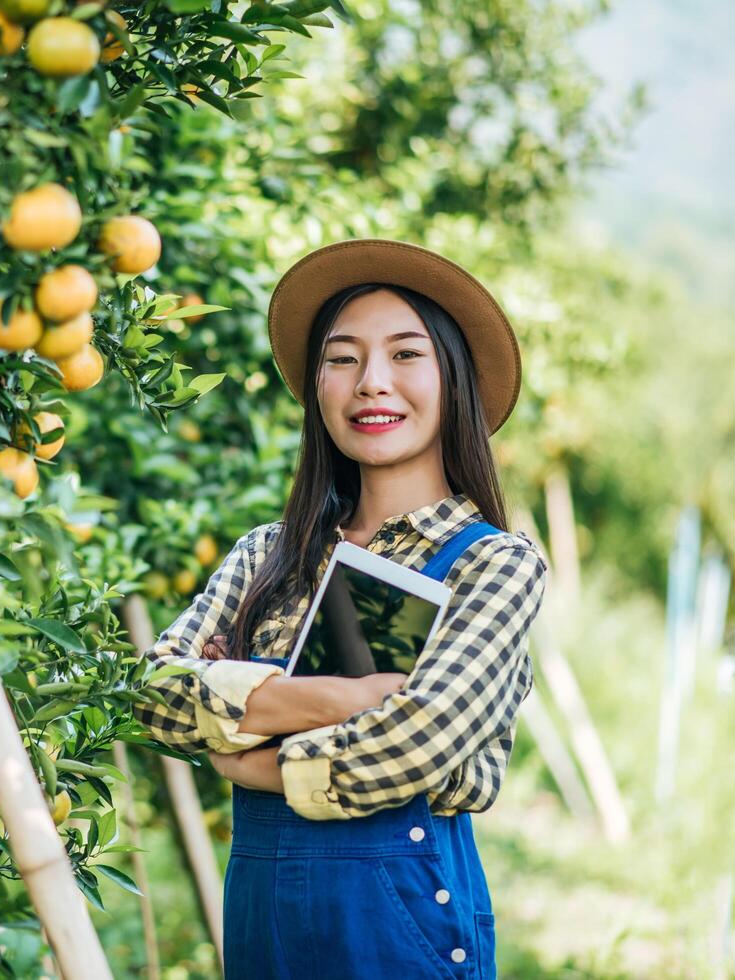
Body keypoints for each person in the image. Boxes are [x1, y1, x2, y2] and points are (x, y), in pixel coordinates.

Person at [134, 239, 549, 979]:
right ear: (316, 387)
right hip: (263, 925)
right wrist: (345, 697)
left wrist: (243, 752)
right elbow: (155, 697)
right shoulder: (267, 552)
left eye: (406, 355)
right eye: (342, 358)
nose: (371, 383)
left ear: (453, 380)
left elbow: (416, 743)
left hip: (401, 925)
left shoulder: (494, 564)